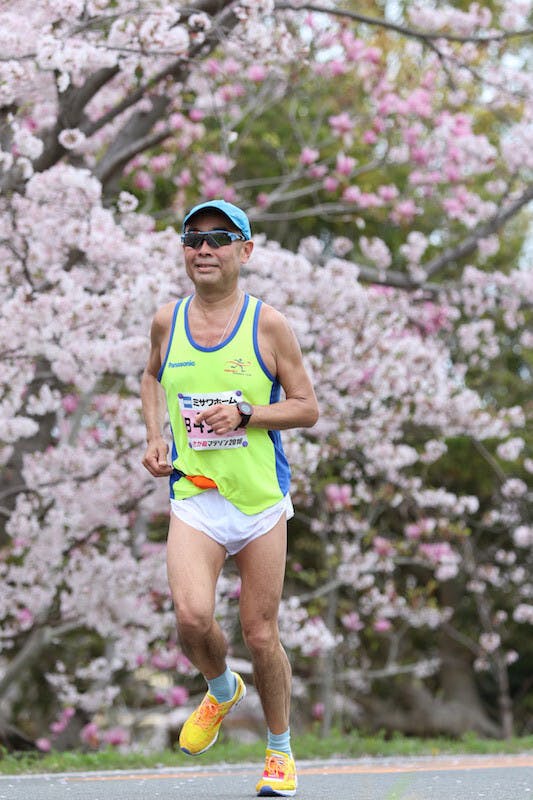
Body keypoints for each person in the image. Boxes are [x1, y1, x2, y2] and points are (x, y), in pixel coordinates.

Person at [141, 199, 319, 797]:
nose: (204, 249)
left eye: (219, 237)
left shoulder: (267, 324)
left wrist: (247, 414)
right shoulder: (167, 320)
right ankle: (221, 690)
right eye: (193, 238)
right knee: (192, 619)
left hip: (260, 500)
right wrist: (153, 435)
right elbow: (151, 374)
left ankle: (279, 750)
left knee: (260, 633)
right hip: (196, 493)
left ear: (245, 250)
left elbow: (307, 407)